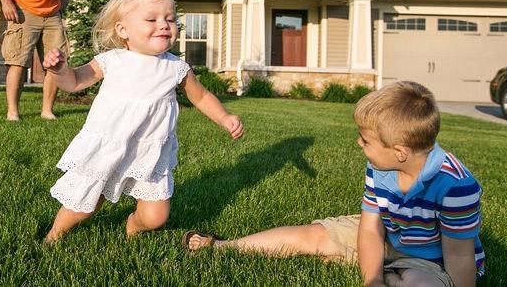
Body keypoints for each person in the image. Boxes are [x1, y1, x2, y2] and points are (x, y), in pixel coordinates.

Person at [183, 81, 484, 287]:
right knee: (311, 235)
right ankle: (224, 245)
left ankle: (389, 271)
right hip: (388, 235)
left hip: (430, 258)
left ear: (400, 151)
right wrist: (373, 280)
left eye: (365, 140)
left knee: (420, 283)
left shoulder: (455, 185)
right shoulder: (380, 165)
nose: (358, 143)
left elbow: (459, 255)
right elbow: (369, 228)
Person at [41, 0, 244, 244]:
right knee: (84, 206)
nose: (164, 25)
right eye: (151, 19)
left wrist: (224, 117)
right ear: (123, 30)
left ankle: (133, 227)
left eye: (170, 19)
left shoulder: (176, 68)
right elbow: (74, 82)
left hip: (148, 153)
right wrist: (59, 70)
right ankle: (54, 235)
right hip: (110, 147)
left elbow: (202, 96)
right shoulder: (112, 60)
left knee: (155, 218)